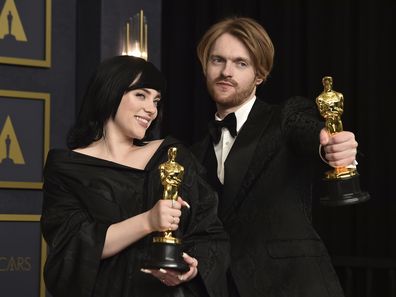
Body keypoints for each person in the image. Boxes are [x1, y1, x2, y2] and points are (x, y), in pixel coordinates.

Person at [192, 17, 358, 297]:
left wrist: (335, 150)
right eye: (217, 60)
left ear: (259, 74)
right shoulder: (195, 152)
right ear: (205, 68)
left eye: (240, 63)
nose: (226, 72)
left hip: (296, 287)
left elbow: (310, 133)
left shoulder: (286, 117)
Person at [40, 55, 229, 297]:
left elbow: (209, 233)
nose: (151, 109)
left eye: (157, 101)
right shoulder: (65, 168)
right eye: (141, 95)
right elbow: (73, 245)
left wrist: (190, 267)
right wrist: (148, 221)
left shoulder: (171, 156)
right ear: (110, 92)